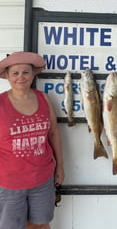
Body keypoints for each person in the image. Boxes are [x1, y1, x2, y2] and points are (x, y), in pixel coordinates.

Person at [0, 51, 64, 229]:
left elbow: (53, 134)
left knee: (41, 225)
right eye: (15, 73)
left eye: (25, 72)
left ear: (32, 74)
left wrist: (60, 166)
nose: (21, 77)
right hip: (9, 183)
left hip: (42, 179)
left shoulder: (43, 98)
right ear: (7, 76)